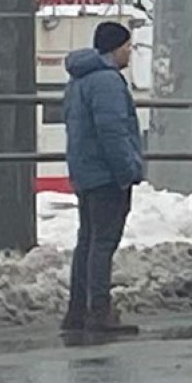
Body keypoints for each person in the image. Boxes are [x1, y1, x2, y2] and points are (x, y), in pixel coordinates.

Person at [60, 21, 144, 333]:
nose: (129, 52)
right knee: (103, 243)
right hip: (107, 175)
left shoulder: (79, 80)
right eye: (126, 46)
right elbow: (113, 131)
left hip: (85, 172)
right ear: (114, 48)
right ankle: (99, 311)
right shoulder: (108, 82)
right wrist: (128, 171)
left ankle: (77, 312)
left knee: (87, 241)